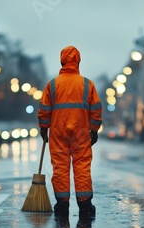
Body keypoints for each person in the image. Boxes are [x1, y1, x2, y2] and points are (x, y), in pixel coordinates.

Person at [38, 46, 102, 218]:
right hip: (81, 132)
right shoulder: (88, 84)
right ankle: (85, 204)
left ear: (61, 62)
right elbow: (96, 109)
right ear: (78, 61)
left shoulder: (52, 85)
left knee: (60, 167)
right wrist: (94, 130)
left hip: (58, 133)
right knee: (82, 166)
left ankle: (62, 204)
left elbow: (44, 110)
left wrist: (44, 128)